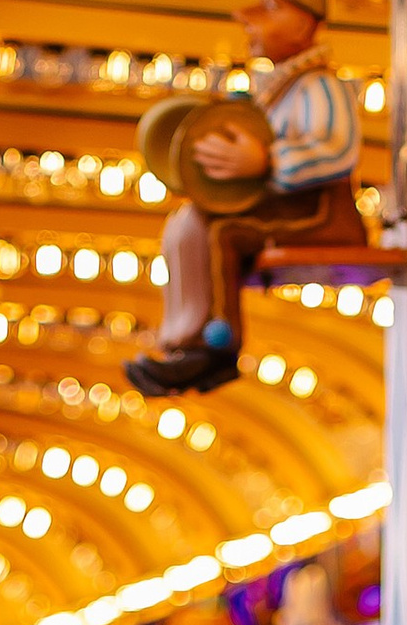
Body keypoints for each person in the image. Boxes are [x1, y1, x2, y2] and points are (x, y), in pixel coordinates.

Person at [125, 0, 365, 398]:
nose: (246, 19)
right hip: (286, 205)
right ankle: (183, 339)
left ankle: (216, 343)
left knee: (221, 229)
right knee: (190, 221)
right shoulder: (284, 89)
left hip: (318, 214)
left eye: (267, 10)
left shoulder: (321, 85)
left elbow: (337, 151)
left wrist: (267, 160)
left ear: (305, 21)